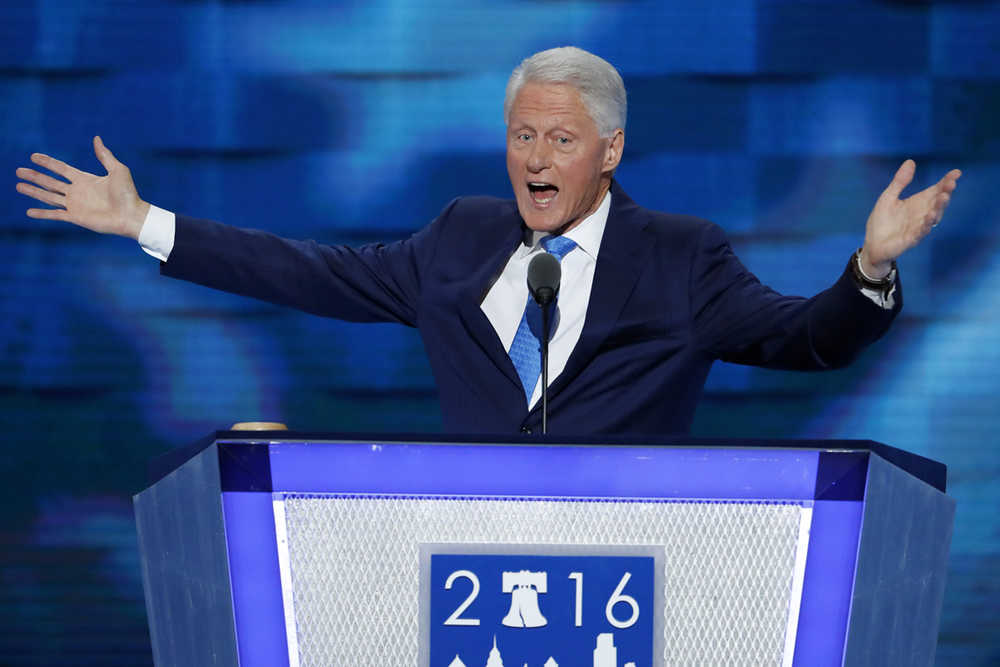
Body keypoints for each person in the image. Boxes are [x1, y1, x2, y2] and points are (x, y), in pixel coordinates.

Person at [14, 47, 960, 436]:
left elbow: (807, 340)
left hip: (635, 583)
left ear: (611, 151)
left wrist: (870, 266)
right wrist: (145, 222)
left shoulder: (684, 255)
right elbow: (307, 272)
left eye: (560, 139)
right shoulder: (462, 238)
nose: (534, 159)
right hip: (467, 579)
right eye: (521, 136)